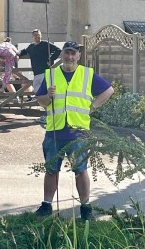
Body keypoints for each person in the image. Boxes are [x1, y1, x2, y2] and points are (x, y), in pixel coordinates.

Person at [35, 40, 114, 219]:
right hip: (55, 130)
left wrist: (92, 106)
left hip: (79, 132)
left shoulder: (87, 74)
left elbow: (109, 90)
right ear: (62, 55)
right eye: (67, 53)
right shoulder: (51, 75)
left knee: (80, 170)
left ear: (78, 56)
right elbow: (40, 100)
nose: (70, 57)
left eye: (73, 53)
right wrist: (48, 96)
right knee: (51, 170)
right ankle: (47, 205)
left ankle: (85, 208)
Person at [18, 29, 61, 124]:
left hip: (45, 73)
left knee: (45, 95)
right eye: (35, 35)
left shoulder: (45, 44)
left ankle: (50, 115)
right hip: (36, 74)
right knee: (38, 95)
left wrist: (51, 59)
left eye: (39, 35)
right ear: (32, 37)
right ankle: (49, 114)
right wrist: (17, 54)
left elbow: (58, 50)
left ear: (41, 35)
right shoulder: (31, 47)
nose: (37, 37)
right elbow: (24, 51)